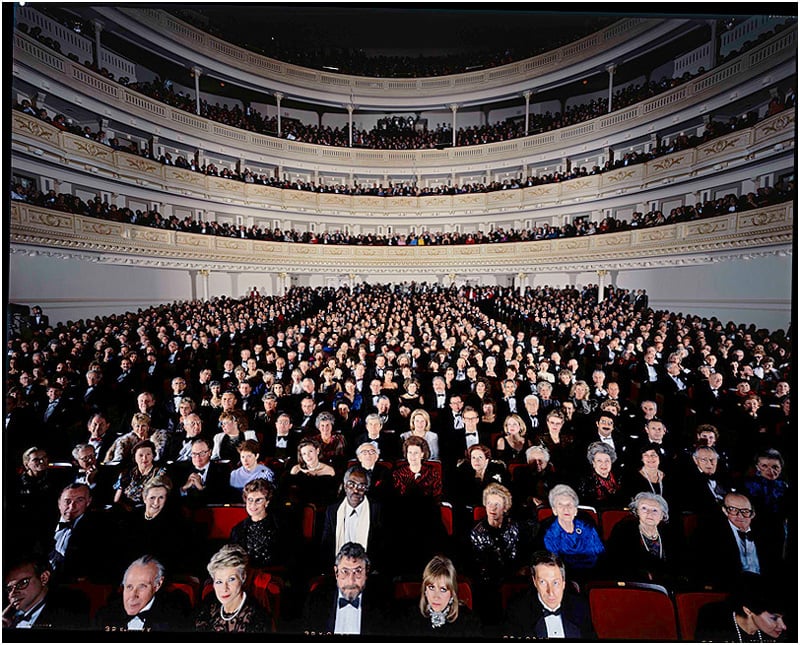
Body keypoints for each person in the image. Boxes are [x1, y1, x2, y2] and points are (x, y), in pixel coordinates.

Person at [468, 483, 527, 625]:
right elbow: (478, 565)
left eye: (497, 504)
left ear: (505, 508)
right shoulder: (476, 532)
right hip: (487, 585)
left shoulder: (515, 527)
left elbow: (521, 554)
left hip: (513, 579)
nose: (492, 508)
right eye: (489, 503)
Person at [301, 542, 389, 636]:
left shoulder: (383, 607)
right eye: (345, 571)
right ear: (336, 572)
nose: (351, 581)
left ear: (366, 572)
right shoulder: (316, 602)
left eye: (358, 571)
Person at [503, 550, 595, 639]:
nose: (550, 592)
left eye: (555, 583)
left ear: (563, 583)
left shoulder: (580, 607)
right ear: (535, 582)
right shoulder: (517, 611)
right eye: (543, 582)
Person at [603, 492, 686, 585]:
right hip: (633, 583)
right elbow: (620, 563)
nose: (649, 513)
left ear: (662, 515)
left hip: (668, 583)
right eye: (644, 508)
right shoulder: (624, 529)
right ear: (637, 511)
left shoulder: (670, 533)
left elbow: (680, 563)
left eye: (655, 510)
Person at [95, 555, 192, 631]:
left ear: (157, 584)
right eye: (129, 587)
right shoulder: (104, 616)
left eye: (142, 586)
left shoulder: (174, 618)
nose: (133, 595)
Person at [195, 544, 271, 632]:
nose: (224, 589)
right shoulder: (208, 604)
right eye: (219, 582)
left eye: (231, 579)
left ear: (243, 577)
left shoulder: (257, 618)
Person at [320, 466, 384, 571]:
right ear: (345, 486)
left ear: (367, 488)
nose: (356, 490)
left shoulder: (377, 511)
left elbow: (381, 548)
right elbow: (326, 546)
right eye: (351, 484)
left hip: (369, 571)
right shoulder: (333, 511)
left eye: (361, 486)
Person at [2, 553, 88, 630]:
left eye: (22, 583)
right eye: (9, 589)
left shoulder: (68, 614)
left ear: (44, 578)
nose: (12, 594)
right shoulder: (8, 619)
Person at [696, 572, 788, 641]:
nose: (783, 626)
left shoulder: (777, 632)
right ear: (748, 611)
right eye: (774, 618)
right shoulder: (713, 622)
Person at [406, 555, 481, 637]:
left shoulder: (469, 622)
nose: (436, 596)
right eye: (431, 587)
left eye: (443, 589)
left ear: (452, 593)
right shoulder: (408, 617)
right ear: (425, 590)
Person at [540, 484, 604, 579]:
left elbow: (600, 554)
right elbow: (553, 564)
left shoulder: (587, 526)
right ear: (554, 510)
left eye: (569, 505)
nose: (566, 509)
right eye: (560, 505)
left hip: (594, 576)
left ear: (575, 510)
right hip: (564, 578)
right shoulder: (549, 533)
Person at [230, 479, 281, 569]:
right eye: (250, 499)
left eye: (258, 500)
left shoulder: (280, 526)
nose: (252, 504)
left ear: (267, 502)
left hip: (274, 574)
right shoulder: (238, 529)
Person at [112, 440, 167, 511]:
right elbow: (116, 499)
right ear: (135, 457)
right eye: (140, 455)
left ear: (153, 455)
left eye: (148, 454)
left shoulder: (160, 473)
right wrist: (125, 507)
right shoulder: (126, 472)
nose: (144, 458)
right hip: (126, 509)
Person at [576, 441, 625, 511]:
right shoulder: (586, 482)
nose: (604, 464)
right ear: (593, 463)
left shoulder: (620, 477)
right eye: (599, 461)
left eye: (607, 461)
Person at [392, 435, 442, 500]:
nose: (412, 456)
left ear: (422, 454)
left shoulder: (432, 472)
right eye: (410, 452)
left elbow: (437, 495)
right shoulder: (398, 473)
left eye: (416, 453)